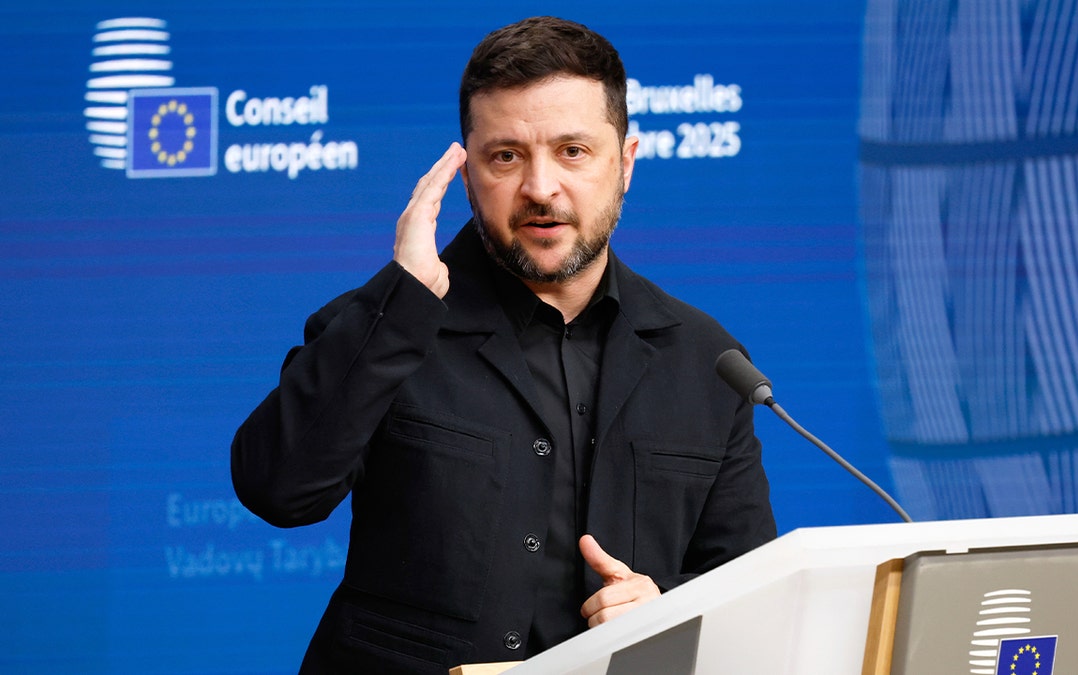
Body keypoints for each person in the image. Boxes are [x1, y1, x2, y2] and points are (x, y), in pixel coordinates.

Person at [231, 15, 775, 674]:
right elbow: (277, 489)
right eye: (506, 156)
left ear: (625, 163)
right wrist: (401, 304)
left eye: (573, 151)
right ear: (465, 173)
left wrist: (663, 612)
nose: (541, 188)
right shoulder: (382, 325)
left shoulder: (708, 360)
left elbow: (750, 591)